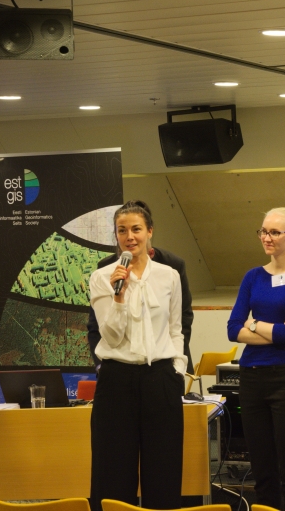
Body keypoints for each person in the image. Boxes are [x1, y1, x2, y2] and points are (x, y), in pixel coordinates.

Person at [88, 200, 187, 511]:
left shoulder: (169, 275)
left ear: (149, 231)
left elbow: (176, 329)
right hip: (117, 381)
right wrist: (118, 295)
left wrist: (178, 370)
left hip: (161, 378)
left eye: (136, 229)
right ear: (116, 235)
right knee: (112, 473)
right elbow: (110, 336)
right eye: (122, 230)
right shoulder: (102, 277)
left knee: (164, 471)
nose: (129, 237)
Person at [227, 207, 285, 511]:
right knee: (262, 469)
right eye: (264, 231)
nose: (267, 237)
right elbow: (232, 330)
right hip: (251, 377)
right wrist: (272, 329)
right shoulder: (253, 276)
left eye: (275, 232)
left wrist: (253, 324)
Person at [88, 246, 195, 375]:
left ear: (149, 234)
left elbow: (180, 323)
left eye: (136, 232)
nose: (130, 237)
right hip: (117, 369)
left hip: (162, 369)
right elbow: (96, 325)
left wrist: (178, 368)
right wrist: (101, 366)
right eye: (122, 234)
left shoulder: (171, 268)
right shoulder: (104, 271)